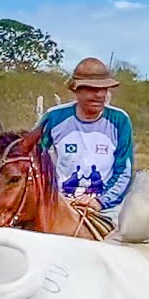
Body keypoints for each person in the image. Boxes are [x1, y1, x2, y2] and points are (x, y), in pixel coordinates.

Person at [37, 57, 135, 226]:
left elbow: (124, 171)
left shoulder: (120, 120)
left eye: (103, 89)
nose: (99, 95)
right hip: (59, 202)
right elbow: (34, 159)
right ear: (76, 90)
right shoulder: (54, 118)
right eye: (91, 89)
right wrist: (53, 196)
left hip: (105, 208)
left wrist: (100, 202)